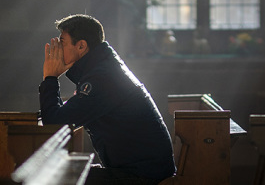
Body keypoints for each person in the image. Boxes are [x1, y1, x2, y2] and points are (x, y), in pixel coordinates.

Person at [39, 14, 176, 185]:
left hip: (143, 176)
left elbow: (53, 124)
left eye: (63, 42)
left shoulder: (102, 77)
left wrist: (50, 78)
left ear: (81, 46)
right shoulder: (104, 68)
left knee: (56, 178)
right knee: (64, 172)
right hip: (143, 170)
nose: (57, 47)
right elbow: (65, 116)